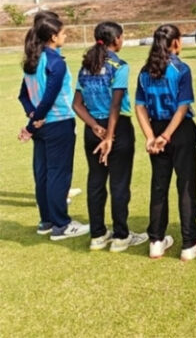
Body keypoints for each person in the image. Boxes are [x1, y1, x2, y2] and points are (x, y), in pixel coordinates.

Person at [135, 24, 196, 260]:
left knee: (159, 186)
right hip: (179, 131)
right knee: (186, 186)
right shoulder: (181, 69)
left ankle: (156, 240)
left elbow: (140, 106)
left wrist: (151, 136)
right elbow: (182, 107)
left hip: (157, 128)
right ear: (176, 42)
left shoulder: (145, 70)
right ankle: (190, 243)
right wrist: (166, 136)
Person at [72, 22, 147, 252]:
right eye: (122, 37)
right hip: (117, 129)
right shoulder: (120, 66)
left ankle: (97, 235)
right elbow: (115, 105)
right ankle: (121, 236)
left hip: (93, 129)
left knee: (96, 180)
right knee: (119, 182)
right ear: (117, 39)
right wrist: (110, 137)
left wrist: (94, 126)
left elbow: (77, 104)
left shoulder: (86, 66)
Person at [18, 15, 89, 240]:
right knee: (58, 174)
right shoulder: (55, 62)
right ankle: (61, 225)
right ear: (52, 36)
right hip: (58, 124)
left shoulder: (32, 60)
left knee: (43, 174)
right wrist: (32, 123)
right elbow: (49, 97)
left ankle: (46, 221)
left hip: (42, 126)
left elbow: (24, 96)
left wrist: (33, 116)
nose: (65, 35)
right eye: (63, 32)